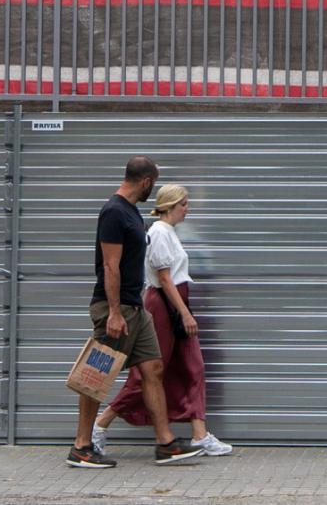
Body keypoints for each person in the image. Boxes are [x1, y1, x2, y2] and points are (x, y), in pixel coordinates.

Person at [68, 156, 202, 469]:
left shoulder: (130, 212)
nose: (151, 191)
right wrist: (113, 313)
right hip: (115, 308)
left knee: (153, 368)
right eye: (151, 184)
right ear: (144, 181)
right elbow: (110, 265)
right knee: (96, 373)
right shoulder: (114, 211)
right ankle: (81, 446)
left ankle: (165, 443)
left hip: (136, 308)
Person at [91, 184, 233, 457]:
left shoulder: (169, 232)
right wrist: (185, 313)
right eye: (184, 204)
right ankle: (100, 424)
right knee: (147, 374)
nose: (187, 209)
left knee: (194, 367)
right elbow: (165, 278)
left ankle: (199, 434)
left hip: (176, 302)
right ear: (170, 206)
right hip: (164, 306)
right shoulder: (158, 232)